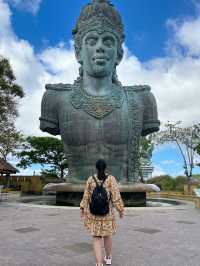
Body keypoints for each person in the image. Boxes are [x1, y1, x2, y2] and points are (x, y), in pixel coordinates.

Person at [80, 159, 124, 266]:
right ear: (105, 167)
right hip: (107, 214)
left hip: (94, 214)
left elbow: (86, 196)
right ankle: (108, 258)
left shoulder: (91, 179)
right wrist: (120, 210)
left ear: (96, 167)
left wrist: (82, 208)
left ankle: (99, 263)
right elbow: (116, 197)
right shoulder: (111, 179)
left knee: (96, 238)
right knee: (107, 236)